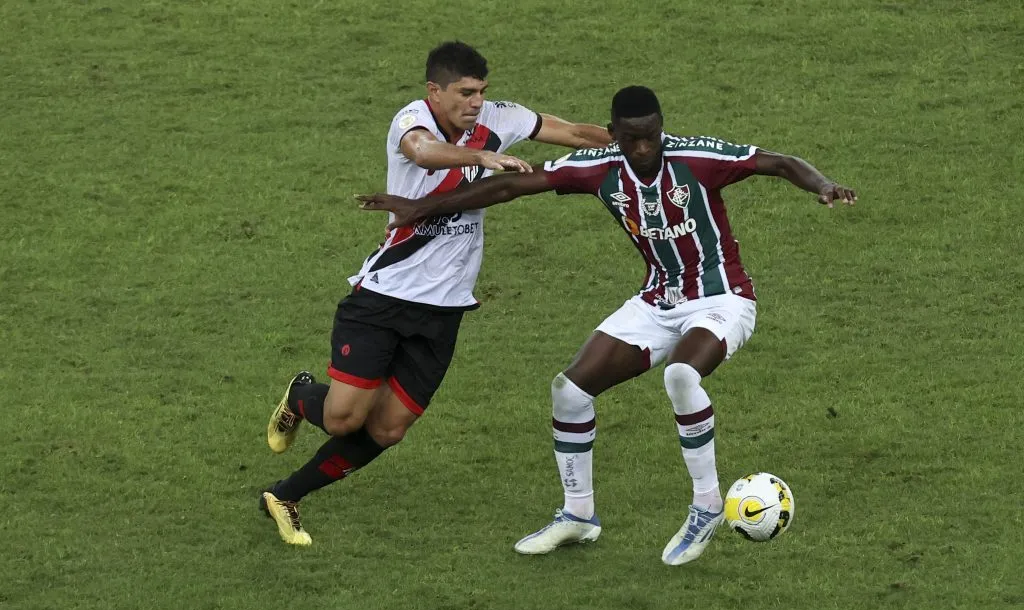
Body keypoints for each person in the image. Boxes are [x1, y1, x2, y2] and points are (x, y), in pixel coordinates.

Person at [357, 85, 856, 564]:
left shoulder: (697, 158)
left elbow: (780, 162)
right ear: (613, 133)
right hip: (657, 301)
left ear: (662, 129)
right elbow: (512, 184)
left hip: (722, 299)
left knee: (681, 375)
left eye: (652, 136)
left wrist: (823, 184)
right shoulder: (597, 167)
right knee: (570, 391)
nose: (643, 148)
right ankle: (578, 514)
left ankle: (706, 505)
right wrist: (422, 207)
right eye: (631, 138)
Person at [259, 41, 613, 546]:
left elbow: (574, 133)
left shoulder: (501, 117)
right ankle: (301, 394)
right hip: (384, 297)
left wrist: (641, 142)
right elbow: (422, 153)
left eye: (481, 92)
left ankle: (285, 496)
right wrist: (482, 156)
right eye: (465, 93)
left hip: (445, 310)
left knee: (387, 430)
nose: (475, 102)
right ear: (435, 91)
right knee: (343, 419)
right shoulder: (411, 120)